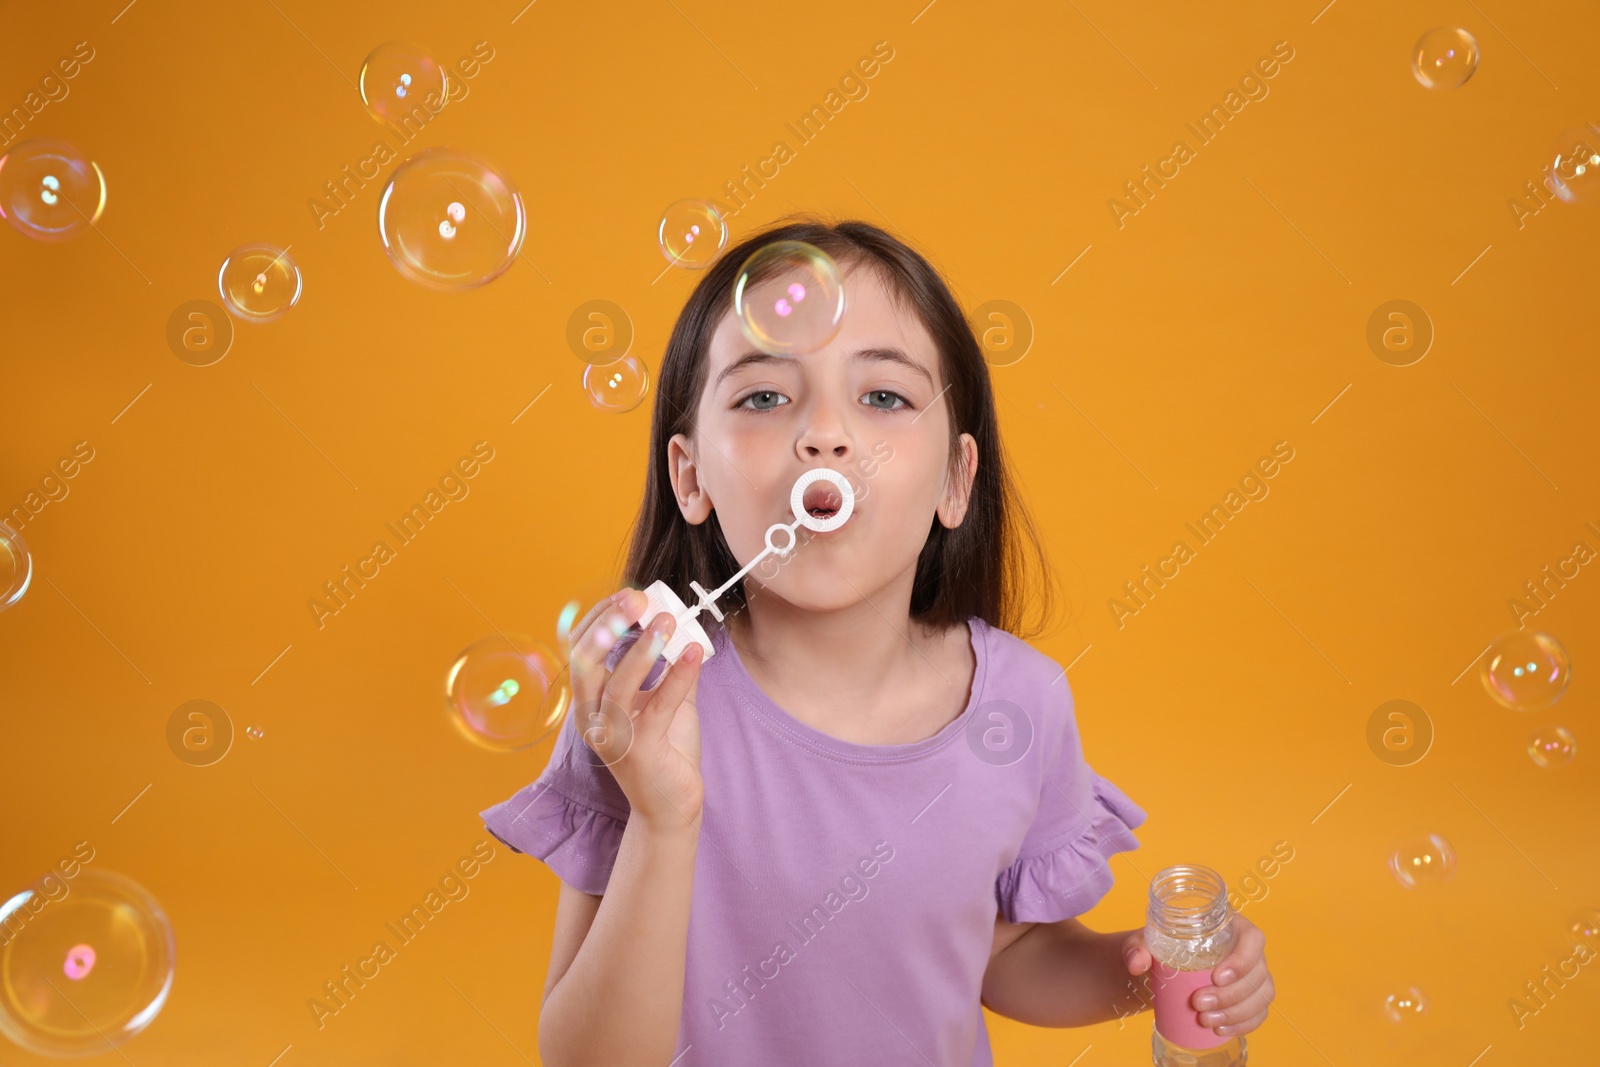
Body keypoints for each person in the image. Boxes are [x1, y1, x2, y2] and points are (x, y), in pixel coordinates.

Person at [479, 217, 1275, 1066]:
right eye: (763, 396)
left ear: (956, 480)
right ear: (691, 477)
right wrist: (663, 817)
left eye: (884, 396)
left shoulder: (1020, 706)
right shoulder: (646, 699)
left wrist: (1150, 974)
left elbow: (1002, 953)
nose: (824, 433)